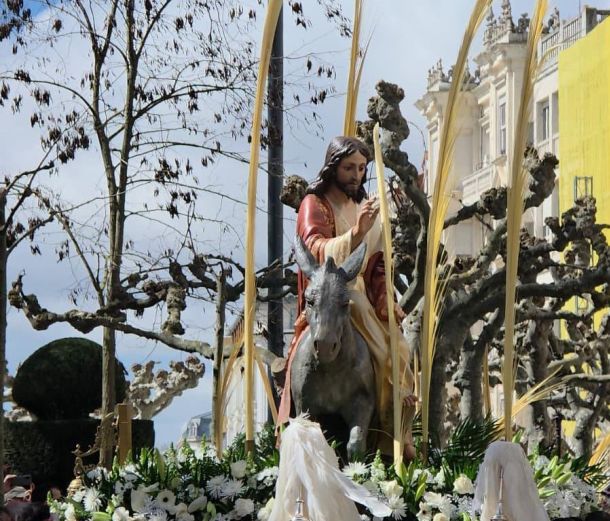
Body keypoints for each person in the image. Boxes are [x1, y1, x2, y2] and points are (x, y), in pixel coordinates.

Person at [278, 136, 416, 459]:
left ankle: (396, 428)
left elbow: (378, 263)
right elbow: (314, 249)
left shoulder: (365, 206)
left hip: (363, 294)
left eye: (362, 168)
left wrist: (386, 300)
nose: (356, 175)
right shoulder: (315, 204)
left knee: (398, 347)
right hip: (332, 292)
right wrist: (356, 233)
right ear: (333, 167)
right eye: (349, 168)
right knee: (368, 326)